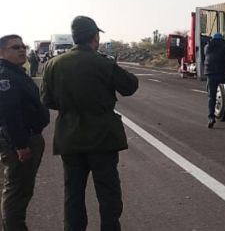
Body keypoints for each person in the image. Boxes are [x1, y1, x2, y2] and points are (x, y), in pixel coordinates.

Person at [41, 16, 138, 231]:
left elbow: (47, 100)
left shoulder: (53, 65)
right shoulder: (103, 62)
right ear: (95, 37)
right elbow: (130, 86)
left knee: (73, 194)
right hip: (103, 138)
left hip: (70, 138)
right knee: (108, 193)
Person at [0, 35, 50, 231]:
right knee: (16, 193)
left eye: (23, 46)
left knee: (22, 191)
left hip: (29, 137)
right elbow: (9, 114)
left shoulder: (16, 73)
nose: (21, 50)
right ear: (2, 52)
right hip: (22, 141)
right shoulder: (5, 75)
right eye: (15, 47)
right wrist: (21, 145)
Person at [204, 32, 225, 128]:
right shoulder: (224, 48)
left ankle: (211, 118)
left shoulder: (207, 47)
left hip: (210, 75)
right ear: (221, 39)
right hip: (222, 74)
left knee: (211, 97)